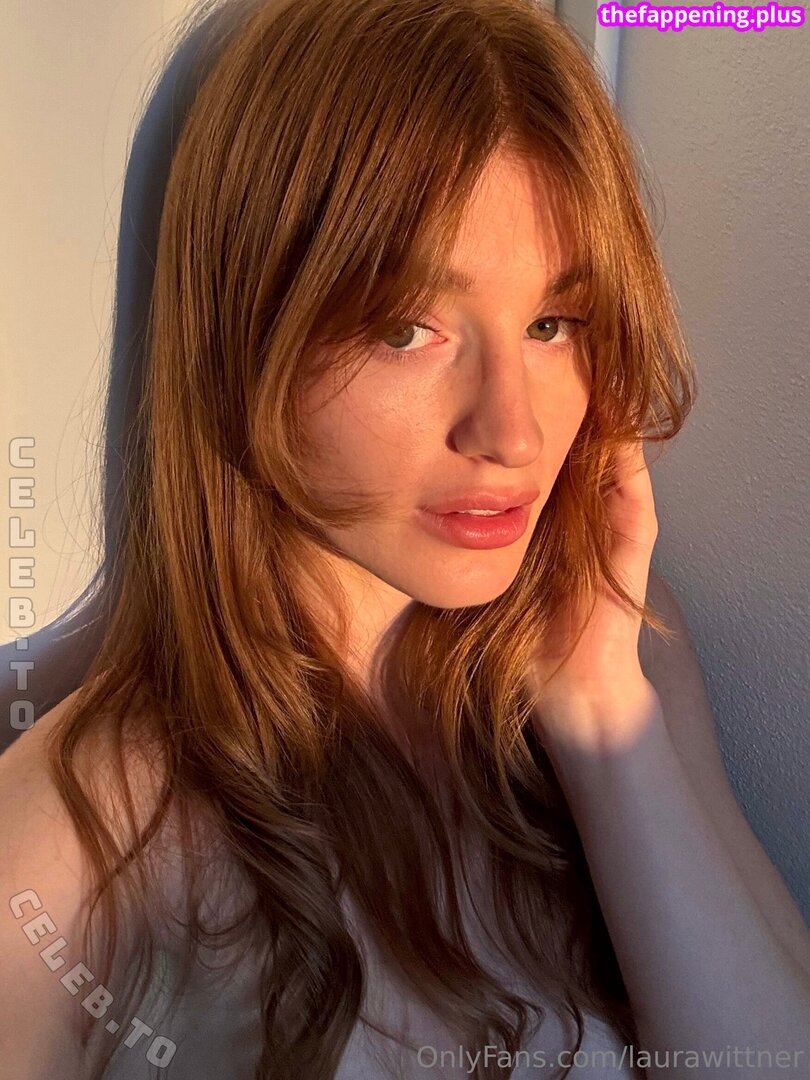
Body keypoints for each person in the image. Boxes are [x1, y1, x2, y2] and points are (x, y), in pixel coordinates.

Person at [2, 0, 809, 1078]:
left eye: (552, 325)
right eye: (406, 329)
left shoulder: (627, 658)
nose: (513, 434)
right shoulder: (73, 846)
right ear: (245, 332)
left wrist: (603, 722)